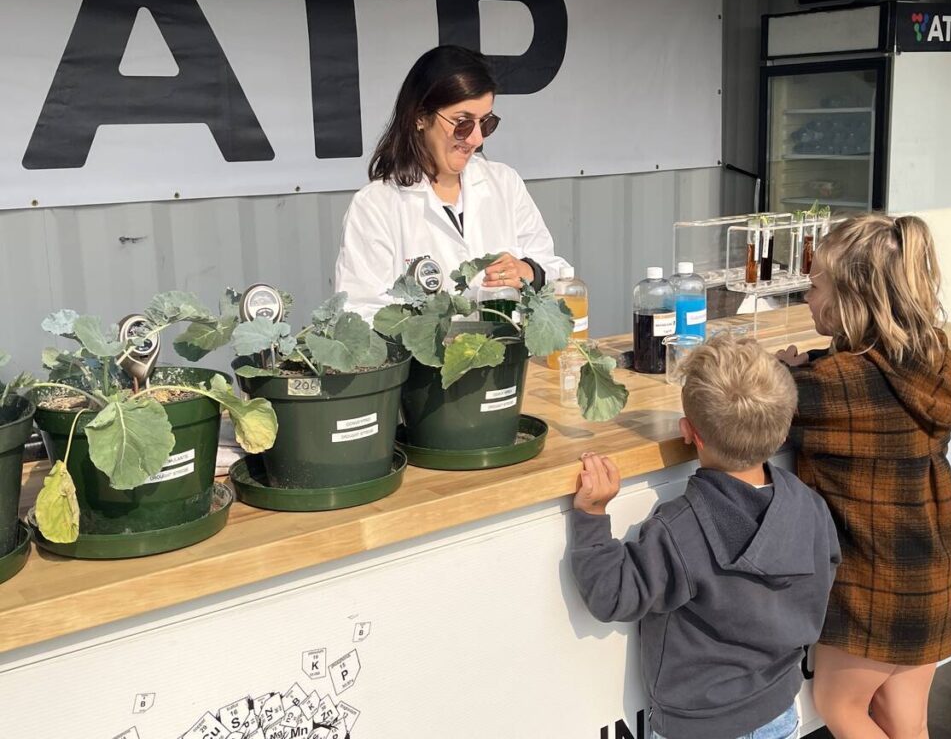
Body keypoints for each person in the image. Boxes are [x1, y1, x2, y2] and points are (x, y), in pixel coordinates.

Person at [570, 336, 840, 739]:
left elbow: (613, 596)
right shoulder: (811, 507)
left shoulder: (680, 527)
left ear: (688, 433)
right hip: (777, 711)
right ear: (783, 432)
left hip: (695, 725)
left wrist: (591, 515)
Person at [777, 214, 951, 739]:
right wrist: (805, 369)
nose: (807, 298)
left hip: (874, 582)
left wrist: (782, 373)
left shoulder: (832, 385)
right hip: (936, 568)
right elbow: (864, 386)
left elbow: (755, 408)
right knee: (905, 722)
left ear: (849, 298)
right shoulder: (931, 357)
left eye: (814, 285)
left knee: (838, 706)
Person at [334, 45, 569, 320]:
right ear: (420, 117)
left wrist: (528, 271)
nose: (476, 138)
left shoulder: (504, 183)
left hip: (509, 359)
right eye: (462, 123)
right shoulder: (376, 206)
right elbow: (359, 313)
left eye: (485, 123)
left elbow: (557, 272)